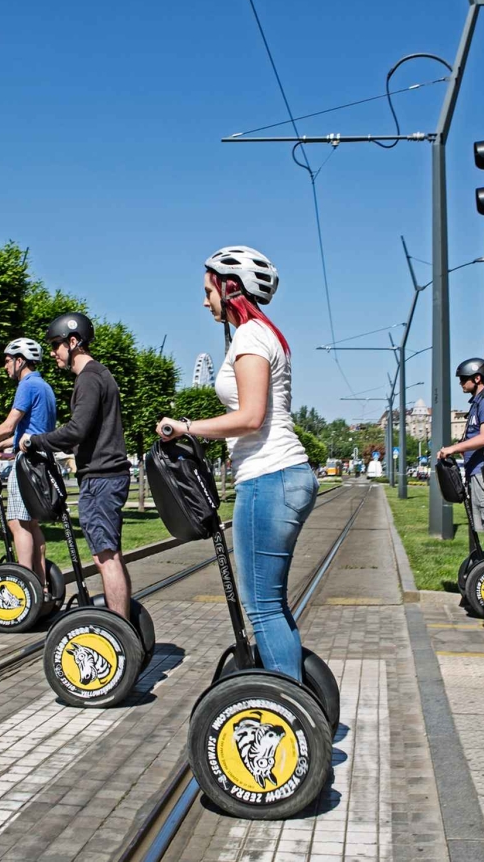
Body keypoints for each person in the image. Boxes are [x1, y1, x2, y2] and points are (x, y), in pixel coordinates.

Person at [156, 246, 316, 683]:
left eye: (208, 290)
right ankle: (295, 701)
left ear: (229, 289)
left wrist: (184, 426)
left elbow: (250, 417)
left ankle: (284, 715)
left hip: (269, 477)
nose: (204, 300)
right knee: (272, 602)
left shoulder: (249, 337)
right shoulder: (264, 335)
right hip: (281, 475)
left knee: (262, 607)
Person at [21, 313, 133, 619]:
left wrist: (35, 441)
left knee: (104, 558)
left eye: (57, 345)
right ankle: (125, 628)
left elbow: (77, 430)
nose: (54, 352)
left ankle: (119, 633)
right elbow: (86, 434)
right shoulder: (101, 375)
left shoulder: (88, 378)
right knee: (112, 555)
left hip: (100, 478)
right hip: (108, 475)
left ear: (74, 342)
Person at [0, 338, 58, 599]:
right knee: (32, 524)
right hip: (42, 460)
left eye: (7, 360)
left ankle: (24, 589)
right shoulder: (45, 387)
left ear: (20, 361)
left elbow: (9, 425)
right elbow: (25, 432)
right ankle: (42, 586)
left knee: (17, 522)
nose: (5, 366)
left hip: (26, 462)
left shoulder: (26, 385)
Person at [436, 358, 484, 557]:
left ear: (477, 378)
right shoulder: (477, 404)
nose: (461, 383)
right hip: (476, 472)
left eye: (464, 379)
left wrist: (453, 448)